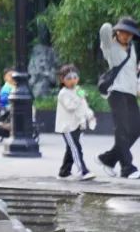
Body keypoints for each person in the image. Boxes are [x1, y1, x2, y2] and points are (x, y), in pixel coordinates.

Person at [97, 17, 140, 179]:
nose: (126, 36)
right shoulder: (109, 47)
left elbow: (131, 73)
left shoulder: (132, 48)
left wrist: (136, 88)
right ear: (118, 31)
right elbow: (105, 29)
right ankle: (127, 168)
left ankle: (108, 158)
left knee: (136, 128)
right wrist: (115, 28)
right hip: (116, 93)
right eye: (124, 32)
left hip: (130, 94)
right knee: (122, 130)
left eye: (130, 33)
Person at [55, 64, 97, 181]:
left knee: (71, 148)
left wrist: (90, 115)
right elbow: (70, 107)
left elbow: (84, 104)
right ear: (62, 80)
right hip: (67, 127)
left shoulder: (78, 90)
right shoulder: (63, 93)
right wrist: (78, 97)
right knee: (76, 148)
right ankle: (83, 171)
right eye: (69, 78)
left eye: (75, 77)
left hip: (78, 124)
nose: (73, 80)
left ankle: (64, 172)